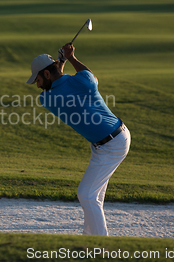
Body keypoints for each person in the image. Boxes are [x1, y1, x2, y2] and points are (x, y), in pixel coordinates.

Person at [26, 43, 131, 236]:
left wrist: (62, 62)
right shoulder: (83, 82)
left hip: (111, 145)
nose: (38, 85)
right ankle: (89, 240)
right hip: (114, 138)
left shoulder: (47, 98)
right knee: (93, 196)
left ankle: (101, 245)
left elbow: (57, 83)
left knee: (86, 195)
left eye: (38, 79)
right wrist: (71, 58)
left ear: (47, 75)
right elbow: (90, 77)